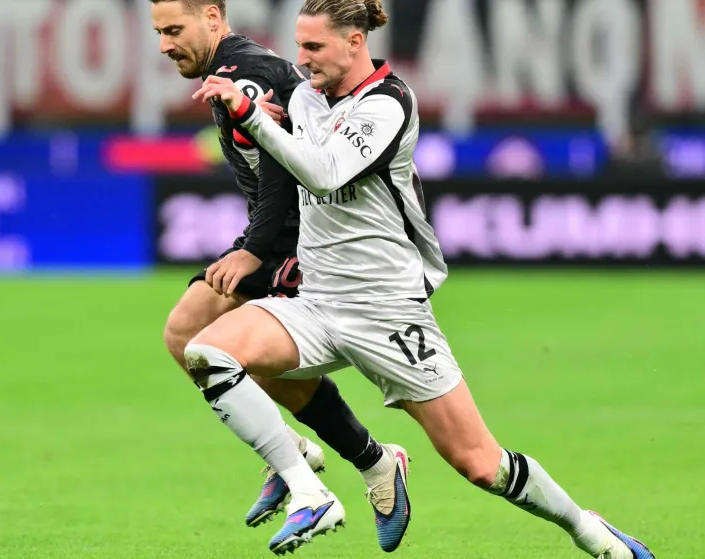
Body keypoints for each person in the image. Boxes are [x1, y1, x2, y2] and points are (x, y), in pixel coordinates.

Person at [190, 0, 657, 558]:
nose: (302, 60)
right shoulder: (307, 98)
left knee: (480, 463)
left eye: (314, 47)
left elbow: (324, 170)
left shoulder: (388, 103)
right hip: (316, 302)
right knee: (208, 352)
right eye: (299, 45)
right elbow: (285, 160)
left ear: (355, 42)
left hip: (389, 312)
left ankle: (593, 534)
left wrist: (255, 118)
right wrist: (260, 126)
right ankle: (308, 489)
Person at [151, 0, 405, 550]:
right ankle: (305, 455)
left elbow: (283, 168)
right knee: (185, 335)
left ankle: (344, 472)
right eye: (159, 32)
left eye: (175, 29)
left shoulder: (251, 74)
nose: (165, 44)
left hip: (300, 242)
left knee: (232, 357)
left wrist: (255, 249)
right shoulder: (230, 71)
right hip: (272, 236)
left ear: (214, 18)